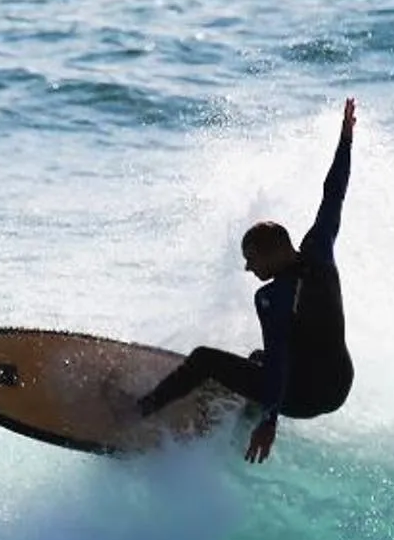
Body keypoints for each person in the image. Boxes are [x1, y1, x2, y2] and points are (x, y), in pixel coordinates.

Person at [140, 99, 357, 463]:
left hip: (305, 397)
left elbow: (277, 364)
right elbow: (333, 194)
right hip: (339, 386)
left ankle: (140, 410)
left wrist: (271, 420)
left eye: (251, 259)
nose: (247, 269)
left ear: (271, 253)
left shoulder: (273, 297)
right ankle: (240, 419)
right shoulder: (318, 250)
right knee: (255, 359)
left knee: (205, 359)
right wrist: (346, 140)